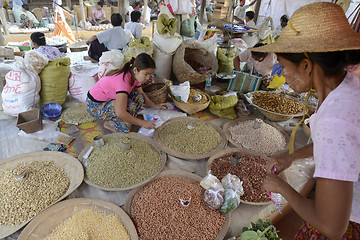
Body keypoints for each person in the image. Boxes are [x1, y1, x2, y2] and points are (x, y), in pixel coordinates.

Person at [252, 2, 360, 239]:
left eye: (284, 67)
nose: (283, 75)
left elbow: (332, 227)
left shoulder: (336, 120)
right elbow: (335, 145)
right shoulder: (346, 84)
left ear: (306, 66)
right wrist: (291, 157)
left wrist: (282, 188)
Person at [86, 53, 168, 133]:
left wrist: (155, 106)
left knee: (139, 97)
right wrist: (141, 123)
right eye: (146, 74)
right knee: (129, 108)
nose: (148, 78)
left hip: (108, 100)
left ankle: (128, 118)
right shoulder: (123, 82)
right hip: (94, 106)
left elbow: (141, 94)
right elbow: (120, 112)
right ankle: (111, 124)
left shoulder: (134, 76)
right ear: (135, 70)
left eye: (150, 74)